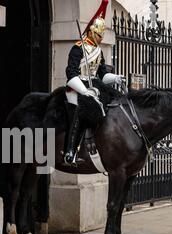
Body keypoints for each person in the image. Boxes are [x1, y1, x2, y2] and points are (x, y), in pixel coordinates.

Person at [63, 0, 125, 167]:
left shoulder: (98, 51)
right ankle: (71, 151)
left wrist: (115, 78)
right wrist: (84, 91)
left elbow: (102, 74)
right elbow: (71, 73)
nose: (100, 38)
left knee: (114, 100)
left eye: (102, 35)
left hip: (95, 86)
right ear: (91, 32)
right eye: (98, 35)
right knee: (81, 110)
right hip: (77, 87)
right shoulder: (78, 48)